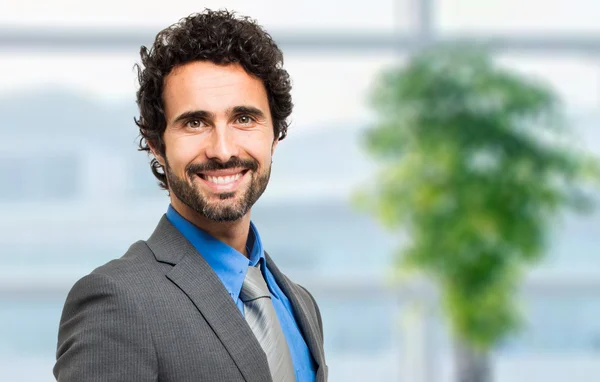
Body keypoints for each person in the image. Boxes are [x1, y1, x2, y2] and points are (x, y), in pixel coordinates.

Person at [53, 9, 327, 382]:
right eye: (195, 123)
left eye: (244, 118)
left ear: (275, 135)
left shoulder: (300, 304)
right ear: (156, 144)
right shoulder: (116, 302)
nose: (223, 149)